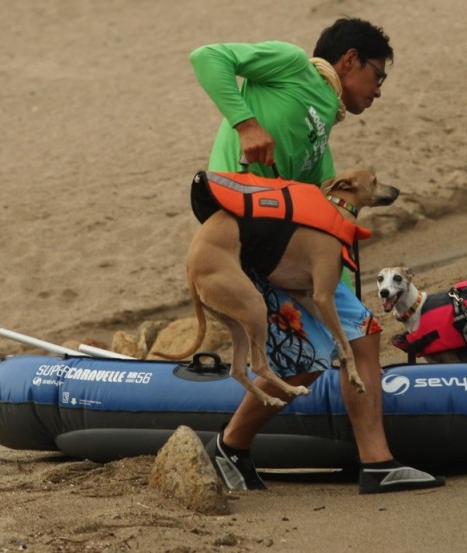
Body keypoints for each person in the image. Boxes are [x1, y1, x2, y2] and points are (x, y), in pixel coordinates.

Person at [190, 17, 445, 494]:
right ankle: (229, 445)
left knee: (362, 330)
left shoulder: (322, 137)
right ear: (349, 61)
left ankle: (377, 464)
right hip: (239, 239)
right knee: (306, 353)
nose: (378, 91)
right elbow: (207, 57)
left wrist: (341, 291)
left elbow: (319, 229)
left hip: (283, 252)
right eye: (378, 76)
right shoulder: (291, 66)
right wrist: (245, 124)